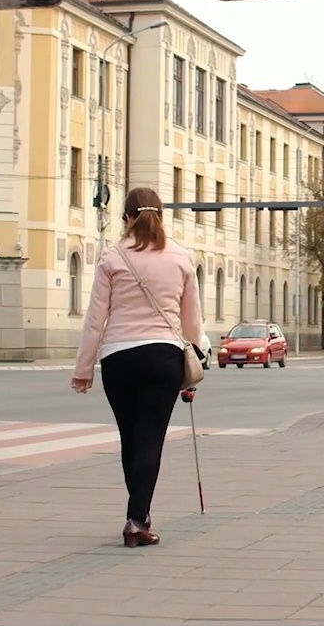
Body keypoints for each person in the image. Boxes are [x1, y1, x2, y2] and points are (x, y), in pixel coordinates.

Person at [70, 187, 208, 549]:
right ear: (160, 216)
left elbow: (95, 318)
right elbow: (192, 321)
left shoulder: (112, 257)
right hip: (163, 357)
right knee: (150, 440)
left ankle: (138, 514)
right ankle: (137, 519)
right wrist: (196, 358)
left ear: (126, 218)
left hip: (118, 358)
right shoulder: (181, 257)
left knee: (130, 439)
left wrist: (83, 368)